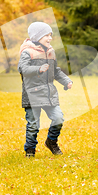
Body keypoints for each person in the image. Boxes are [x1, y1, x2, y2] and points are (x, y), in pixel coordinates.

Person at [18, 22, 73, 157]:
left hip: (49, 94)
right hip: (32, 94)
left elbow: (55, 71)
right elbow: (22, 69)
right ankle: (30, 150)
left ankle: (51, 141)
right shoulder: (27, 52)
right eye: (46, 35)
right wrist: (38, 69)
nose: (49, 38)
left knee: (58, 118)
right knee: (33, 125)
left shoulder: (50, 52)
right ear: (37, 37)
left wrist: (66, 81)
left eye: (50, 35)